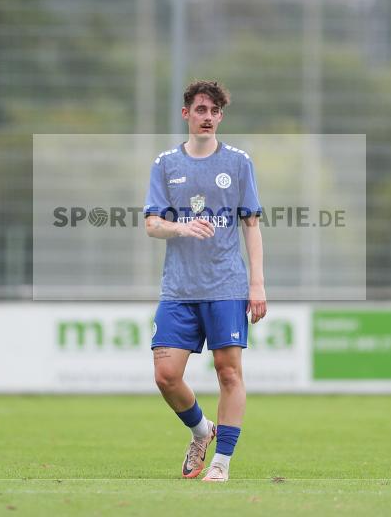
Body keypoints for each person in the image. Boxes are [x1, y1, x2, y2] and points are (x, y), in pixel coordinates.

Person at [143, 80, 267, 483]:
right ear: (186, 114)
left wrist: (257, 284)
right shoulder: (165, 164)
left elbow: (252, 226)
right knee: (165, 375)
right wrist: (180, 227)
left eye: (214, 111)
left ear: (221, 116)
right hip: (179, 289)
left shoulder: (238, 163)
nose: (207, 117)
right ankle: (201, 430)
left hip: (226, 286)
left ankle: (221, 462)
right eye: (200, 110)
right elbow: (152, 224)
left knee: (228, 373)